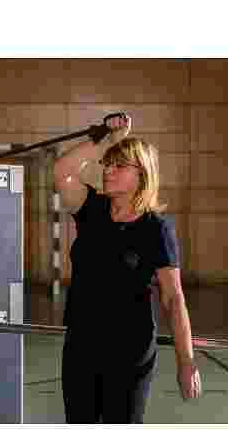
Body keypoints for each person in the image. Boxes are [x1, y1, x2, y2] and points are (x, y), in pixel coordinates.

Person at [53, 114, 202, 424]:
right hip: (81, 346)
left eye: (119, 166)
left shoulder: (156, 228)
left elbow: (173, 298)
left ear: (142, 174)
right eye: (107, 164)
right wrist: (106, 142)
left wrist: (186, 360)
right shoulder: (91, 208)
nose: (108, 170)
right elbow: (62, 170)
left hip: (129, 352)